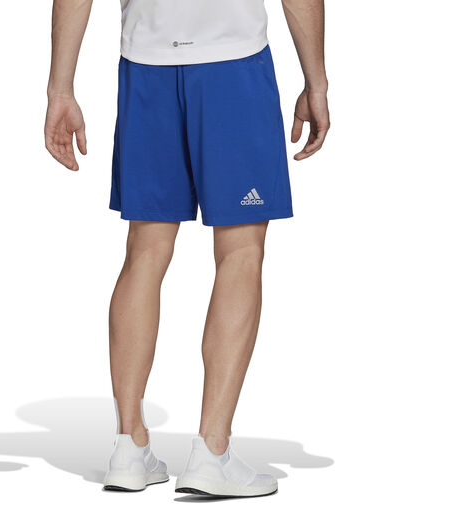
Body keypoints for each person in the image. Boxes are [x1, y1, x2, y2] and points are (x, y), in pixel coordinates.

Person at [45, 0, 330, 498]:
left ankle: (129, 447)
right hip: (233, 63)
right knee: (240, 252)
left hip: (146, 65)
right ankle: (212, 453)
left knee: (144, 253)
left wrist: (60, 88)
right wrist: (317, 81)